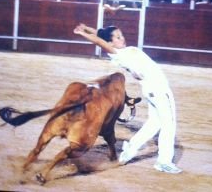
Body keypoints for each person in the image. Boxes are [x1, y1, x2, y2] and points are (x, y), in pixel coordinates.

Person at [73, 23, 182, 174]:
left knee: (154, 124)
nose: (122, 38)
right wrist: (82, 34)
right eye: (117, 38)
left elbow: (101, 34)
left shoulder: (123, 51)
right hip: (159, 90)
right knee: (169, 125)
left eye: (121, 35)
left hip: (151, 90)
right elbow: (100, 40)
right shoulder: (119, 54)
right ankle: (164, 161)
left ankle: (129, 150)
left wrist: (87, 28)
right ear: (111, 43)